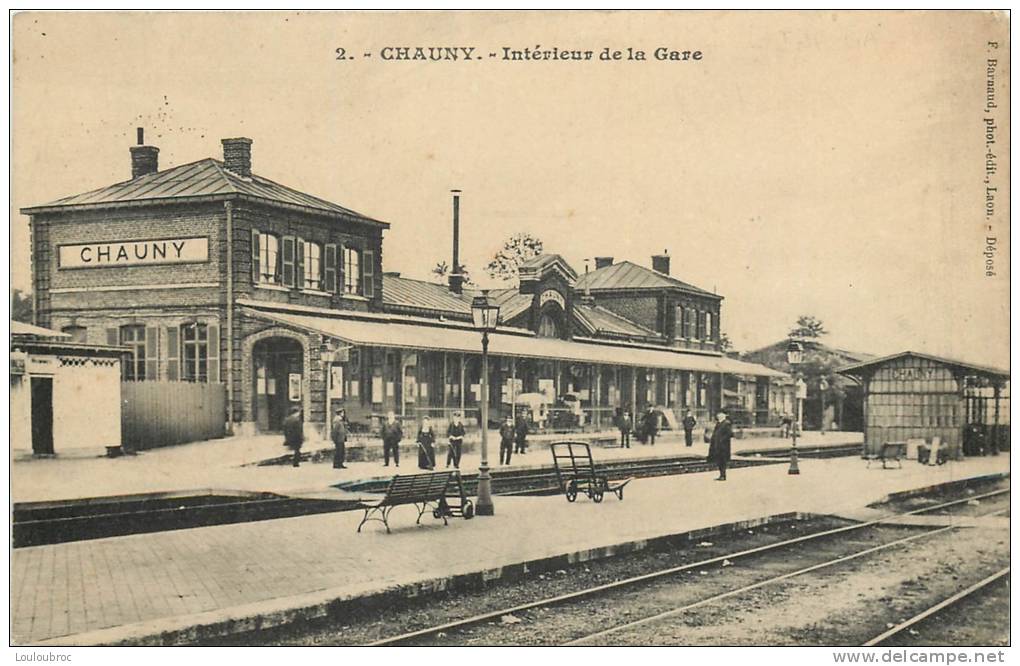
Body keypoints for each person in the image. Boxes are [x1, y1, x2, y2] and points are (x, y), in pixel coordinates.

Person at [708, 410, 733, 481]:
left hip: (723, 446)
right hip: (717, 445)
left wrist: (721, 440)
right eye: (718, 414)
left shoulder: (726, 423)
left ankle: (723, 475)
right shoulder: (719, 423)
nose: (718, 415)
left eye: (720, 414)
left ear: (724, 415)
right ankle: (721, 475)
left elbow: (730, 434)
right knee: (719, 460)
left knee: (723, 460)